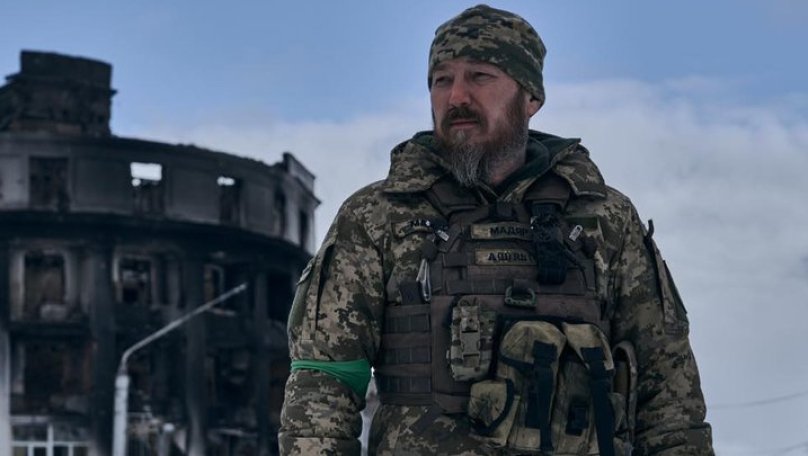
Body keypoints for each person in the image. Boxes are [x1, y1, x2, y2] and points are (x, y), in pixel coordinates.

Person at [279, 4, 713, 455]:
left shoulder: (604, 218)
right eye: (441, 80)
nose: (457, 97)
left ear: (531, 97)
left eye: (480, 76)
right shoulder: (378, 217)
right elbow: (322, 391)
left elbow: (669, 400)